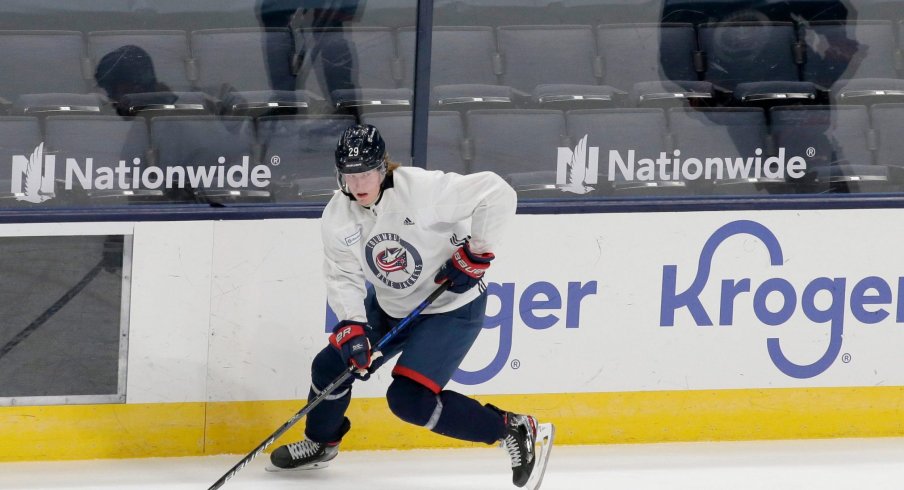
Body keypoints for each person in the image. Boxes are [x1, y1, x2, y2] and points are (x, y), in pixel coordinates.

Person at [268, 124, 553, 488]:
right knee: (330, 366)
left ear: (383, 167)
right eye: (349, 175)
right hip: (391, 306)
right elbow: (342, 275)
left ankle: (511, 428)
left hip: (451, 307)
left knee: (409, 400)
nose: (358, 185)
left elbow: (496, 192)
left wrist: (477, 254)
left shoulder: (423, 191)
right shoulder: (337, 216)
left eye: (367, 173)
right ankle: (322, 443)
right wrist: (353, 324)